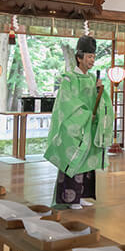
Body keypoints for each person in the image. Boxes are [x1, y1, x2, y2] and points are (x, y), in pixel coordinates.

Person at [43, 36, 114, 209]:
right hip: (74, 127)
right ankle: (69, 199)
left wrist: (100, 91)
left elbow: (101, 102)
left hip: (88, 126)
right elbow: (67, 103)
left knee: (87, 160)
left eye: (93, 57)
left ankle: (80, 195)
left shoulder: (91, 79)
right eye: (89, 57)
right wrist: (84, 115)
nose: (92, 60)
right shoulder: (69, 79)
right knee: (73, 158)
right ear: (79, 57)